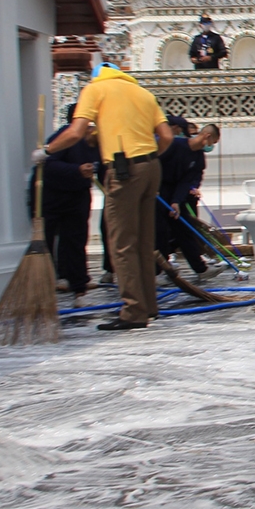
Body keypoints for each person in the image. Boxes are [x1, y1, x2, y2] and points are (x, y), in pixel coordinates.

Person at [34, 62, 173, 331]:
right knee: (144, 240)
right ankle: (148, 307)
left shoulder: (96, 88)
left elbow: (76, 131)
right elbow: (165, 135)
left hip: (123, 169)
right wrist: (150, 156)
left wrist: (47, 151)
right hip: (152, 167)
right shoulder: (142, 93)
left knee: (121, 243)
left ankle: (133, 311)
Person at [41, 103, 101, 304]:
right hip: (53, 195)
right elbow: (49, 164)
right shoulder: (63, 137)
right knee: (47, 240)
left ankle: (79, 285)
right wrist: (76, 170)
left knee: (75, 239)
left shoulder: (93, 139)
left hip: (79, 194)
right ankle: (48, 281)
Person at [157, 122, 223, 281]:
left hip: (176, 192)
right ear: (206, 137)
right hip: (158, 189)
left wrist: (176, 201)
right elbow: (156, 162)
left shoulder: (199, 158)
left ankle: (200, 269)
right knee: (159, 231)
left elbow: (187, 181)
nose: (209, 147)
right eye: (211, 143)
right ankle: (157, 272)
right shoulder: (175, 144)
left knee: (184, 230)